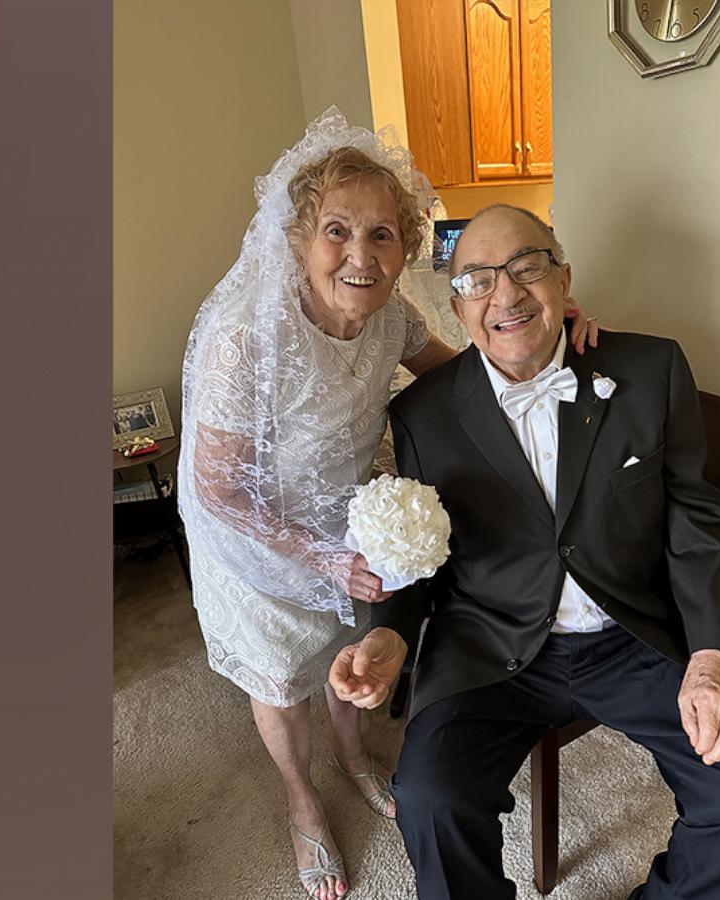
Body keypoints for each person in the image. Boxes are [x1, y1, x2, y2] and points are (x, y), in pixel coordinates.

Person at [175, 113, 598, 900]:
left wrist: (543, 332)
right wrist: (325, 556)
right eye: (338, 232)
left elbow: (463, 378)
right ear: (300, 239)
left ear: (406, 248)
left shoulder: (394, 317)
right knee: (280, 678)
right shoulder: (247, 337)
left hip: (347, 517)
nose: (361, 257)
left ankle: (356, 755)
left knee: (351, 652)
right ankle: (302, 801)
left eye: (383, 235)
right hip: (256, 532)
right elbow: (220, 488)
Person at [330, 205, 720, 900]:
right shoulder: (422, 412)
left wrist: (713, 654)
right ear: (457, 309)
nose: (506, 294)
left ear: (563, 276)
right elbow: (415, 550)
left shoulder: (649, 367)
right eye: (478, 280)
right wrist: (391, 632)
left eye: (526, 266)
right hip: (489, 645)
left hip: (631, 636)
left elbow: (698, 520)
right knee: (429, 795)